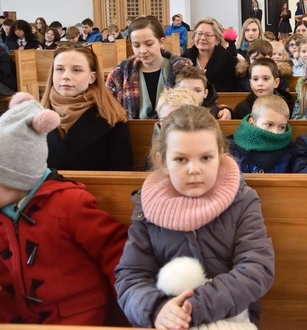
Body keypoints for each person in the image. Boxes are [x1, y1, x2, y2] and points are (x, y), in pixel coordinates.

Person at [114, 105, 275, 328]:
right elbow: (131, 277)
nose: (194, 169)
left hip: (229, 319)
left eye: (206, 158)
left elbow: (257, 269)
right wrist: (157, 309)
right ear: (162, 160)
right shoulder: (147, 206)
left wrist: (191, 308)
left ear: (220, 155)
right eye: (180, 159)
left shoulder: (243, 200)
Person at [0, 92, 128, 325]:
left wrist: (133, 311)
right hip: (16, 320)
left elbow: (116, 254)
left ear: (19, 177)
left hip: (76, 317)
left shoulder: (69, 203)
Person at [42, 45, 132, 171]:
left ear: (92, 77)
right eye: (59, 69)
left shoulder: (112, 119)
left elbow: (121, 174)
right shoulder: (35, 117)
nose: (66, 76)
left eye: (76, 70)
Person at [106, 16, 193, 119]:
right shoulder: (119, 74)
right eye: (136, 45)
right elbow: (107, 111)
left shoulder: (184, 70)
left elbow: (202, 103)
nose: (142, 51)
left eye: (149, 44)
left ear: (161, 42)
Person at [228, 95, 294, 174]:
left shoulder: (290, 150)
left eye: (282, 127)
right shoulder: (231, 148)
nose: (275, 132)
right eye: (269, 125)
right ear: (252, 122)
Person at [185, 17, 239, 92]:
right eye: (199, 34)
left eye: (208, 35)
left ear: (217, 39)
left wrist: (203, 81)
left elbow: (230, 90)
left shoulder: (227, 59)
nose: (202, 38)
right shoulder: (186, 56)